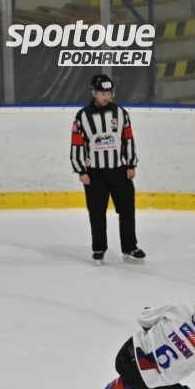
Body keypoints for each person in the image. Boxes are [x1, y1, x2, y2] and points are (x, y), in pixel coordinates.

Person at [70, 73, 144, 266]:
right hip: (95, 174)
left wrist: (130, 165)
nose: (106, 96)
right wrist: (81, 171)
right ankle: (99, 248)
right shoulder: (82, 116)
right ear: (93, 93)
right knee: (96, 212)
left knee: (127, 210)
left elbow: (128, 139)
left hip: (119, 170)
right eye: (102, 93)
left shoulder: (121, 113)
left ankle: (130, 248)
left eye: (109, 93)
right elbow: (77, 144)